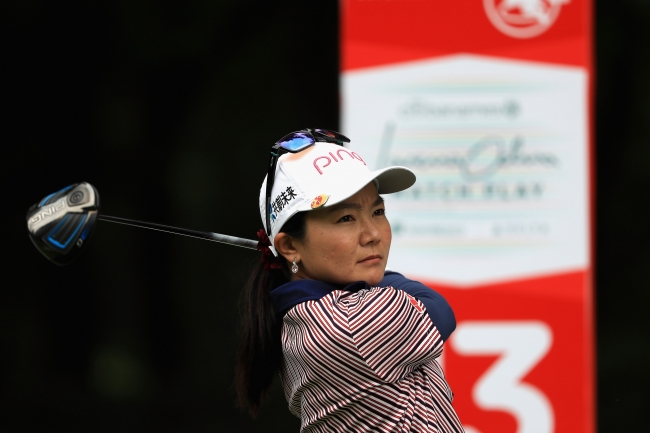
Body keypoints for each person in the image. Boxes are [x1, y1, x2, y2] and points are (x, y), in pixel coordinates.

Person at [236, 129, 464, 432]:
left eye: (378, 211)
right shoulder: (347, 325)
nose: (373, 234)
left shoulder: (306, 316)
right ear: (289, 246)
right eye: (346, 218)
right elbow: (438, 308)